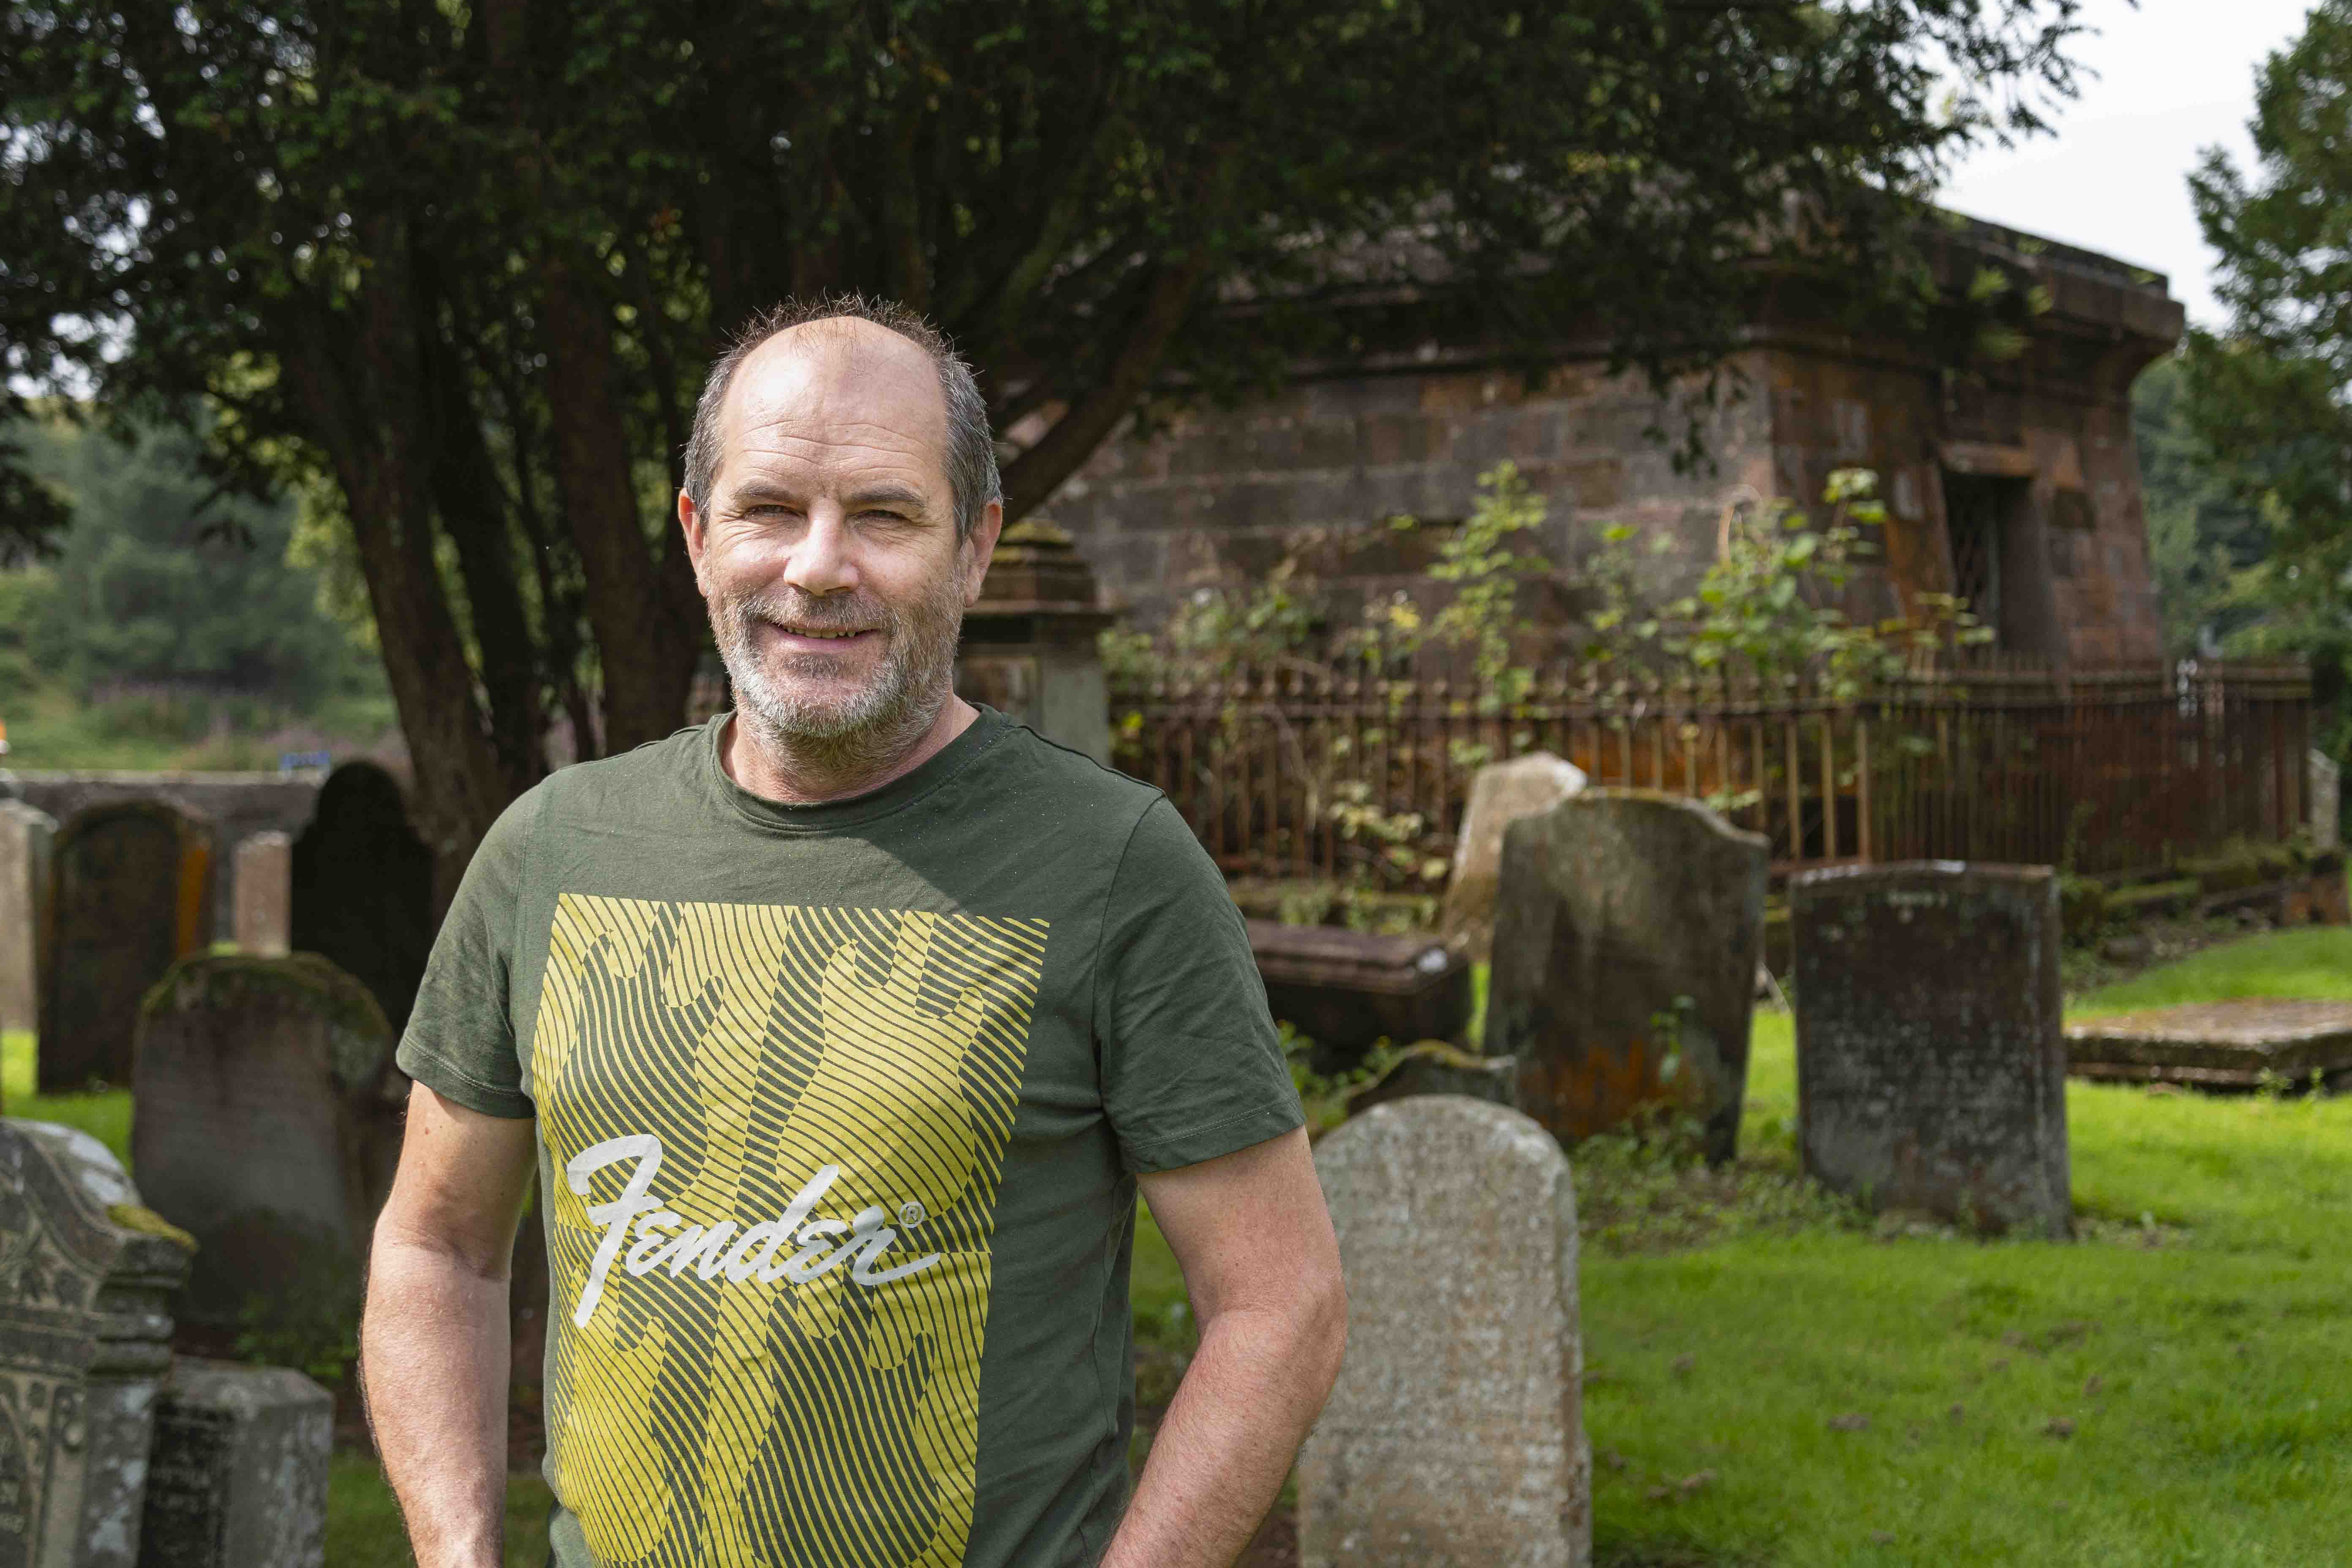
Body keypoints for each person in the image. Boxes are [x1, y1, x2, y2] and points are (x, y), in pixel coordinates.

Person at [360, 295, 1347, 1568]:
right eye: (771, 509)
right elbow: (437, 1247)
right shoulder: (553, 849)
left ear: (975, 546)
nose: (818, 567)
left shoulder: (1114, 867)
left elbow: (1280, 1305)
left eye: (883, 514)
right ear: (697, 535)